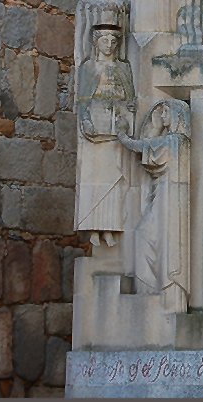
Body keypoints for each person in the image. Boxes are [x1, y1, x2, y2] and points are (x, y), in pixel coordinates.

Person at [117, 98, 192, 313]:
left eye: (166, 112)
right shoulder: (173, 141)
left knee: (145, 236)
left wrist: (122, 134)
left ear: (176, 115)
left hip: (168, 202)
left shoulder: (175, 141)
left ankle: (154, 296)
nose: (162, 116)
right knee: (144, 236)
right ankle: (149, 294)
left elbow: (141, 146)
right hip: (162, 197)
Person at [75, 27, 136, 247]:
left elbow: (130, 99)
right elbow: (83, 100)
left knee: (115, 179)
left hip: (116, 130)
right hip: (95, 131)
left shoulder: (123, 68)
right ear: (96, 42)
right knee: (94, 181)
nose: (109, 45)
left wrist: (126, 115)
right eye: (104, 40)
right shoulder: (89, 67)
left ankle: (111, 228)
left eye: (113, 41)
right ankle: (94, 228)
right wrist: (86, 120)